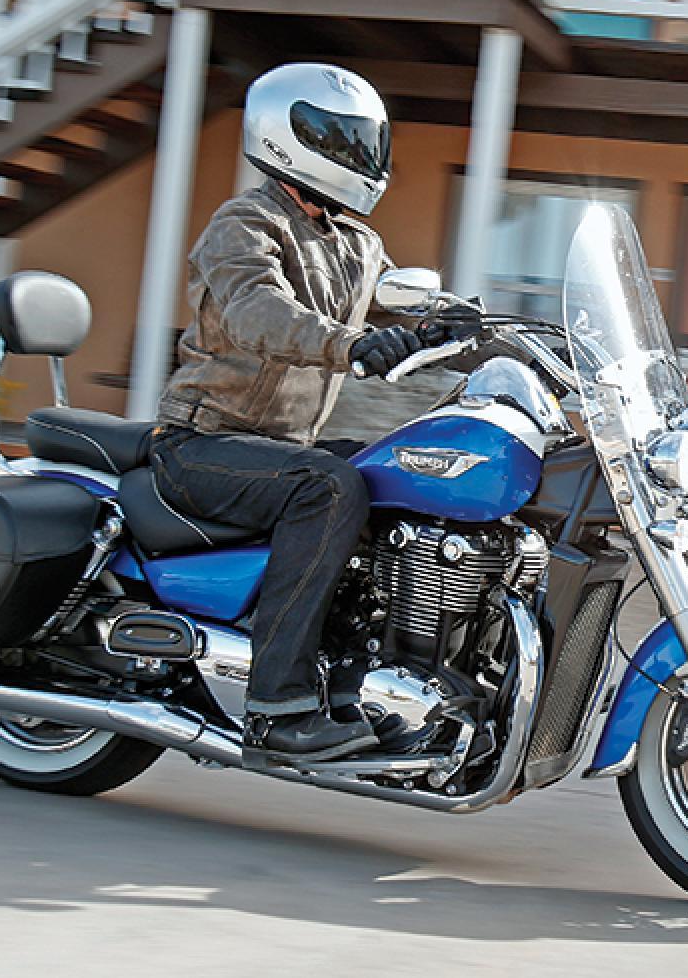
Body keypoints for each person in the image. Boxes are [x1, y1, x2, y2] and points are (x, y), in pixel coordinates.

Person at [149, 63, 457, 761]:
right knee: (329, 488)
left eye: (365, 141)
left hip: (281, 449)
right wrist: (352, 344)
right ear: (289, 138)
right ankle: (276, 708)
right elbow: (259, 312)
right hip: (202, 442)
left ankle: (354, 680)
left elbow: (402, 304)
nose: (362, 156)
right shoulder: (244, 224)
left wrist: (465, 325)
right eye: (344, 141)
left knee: (397, 472)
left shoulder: (355, 243)